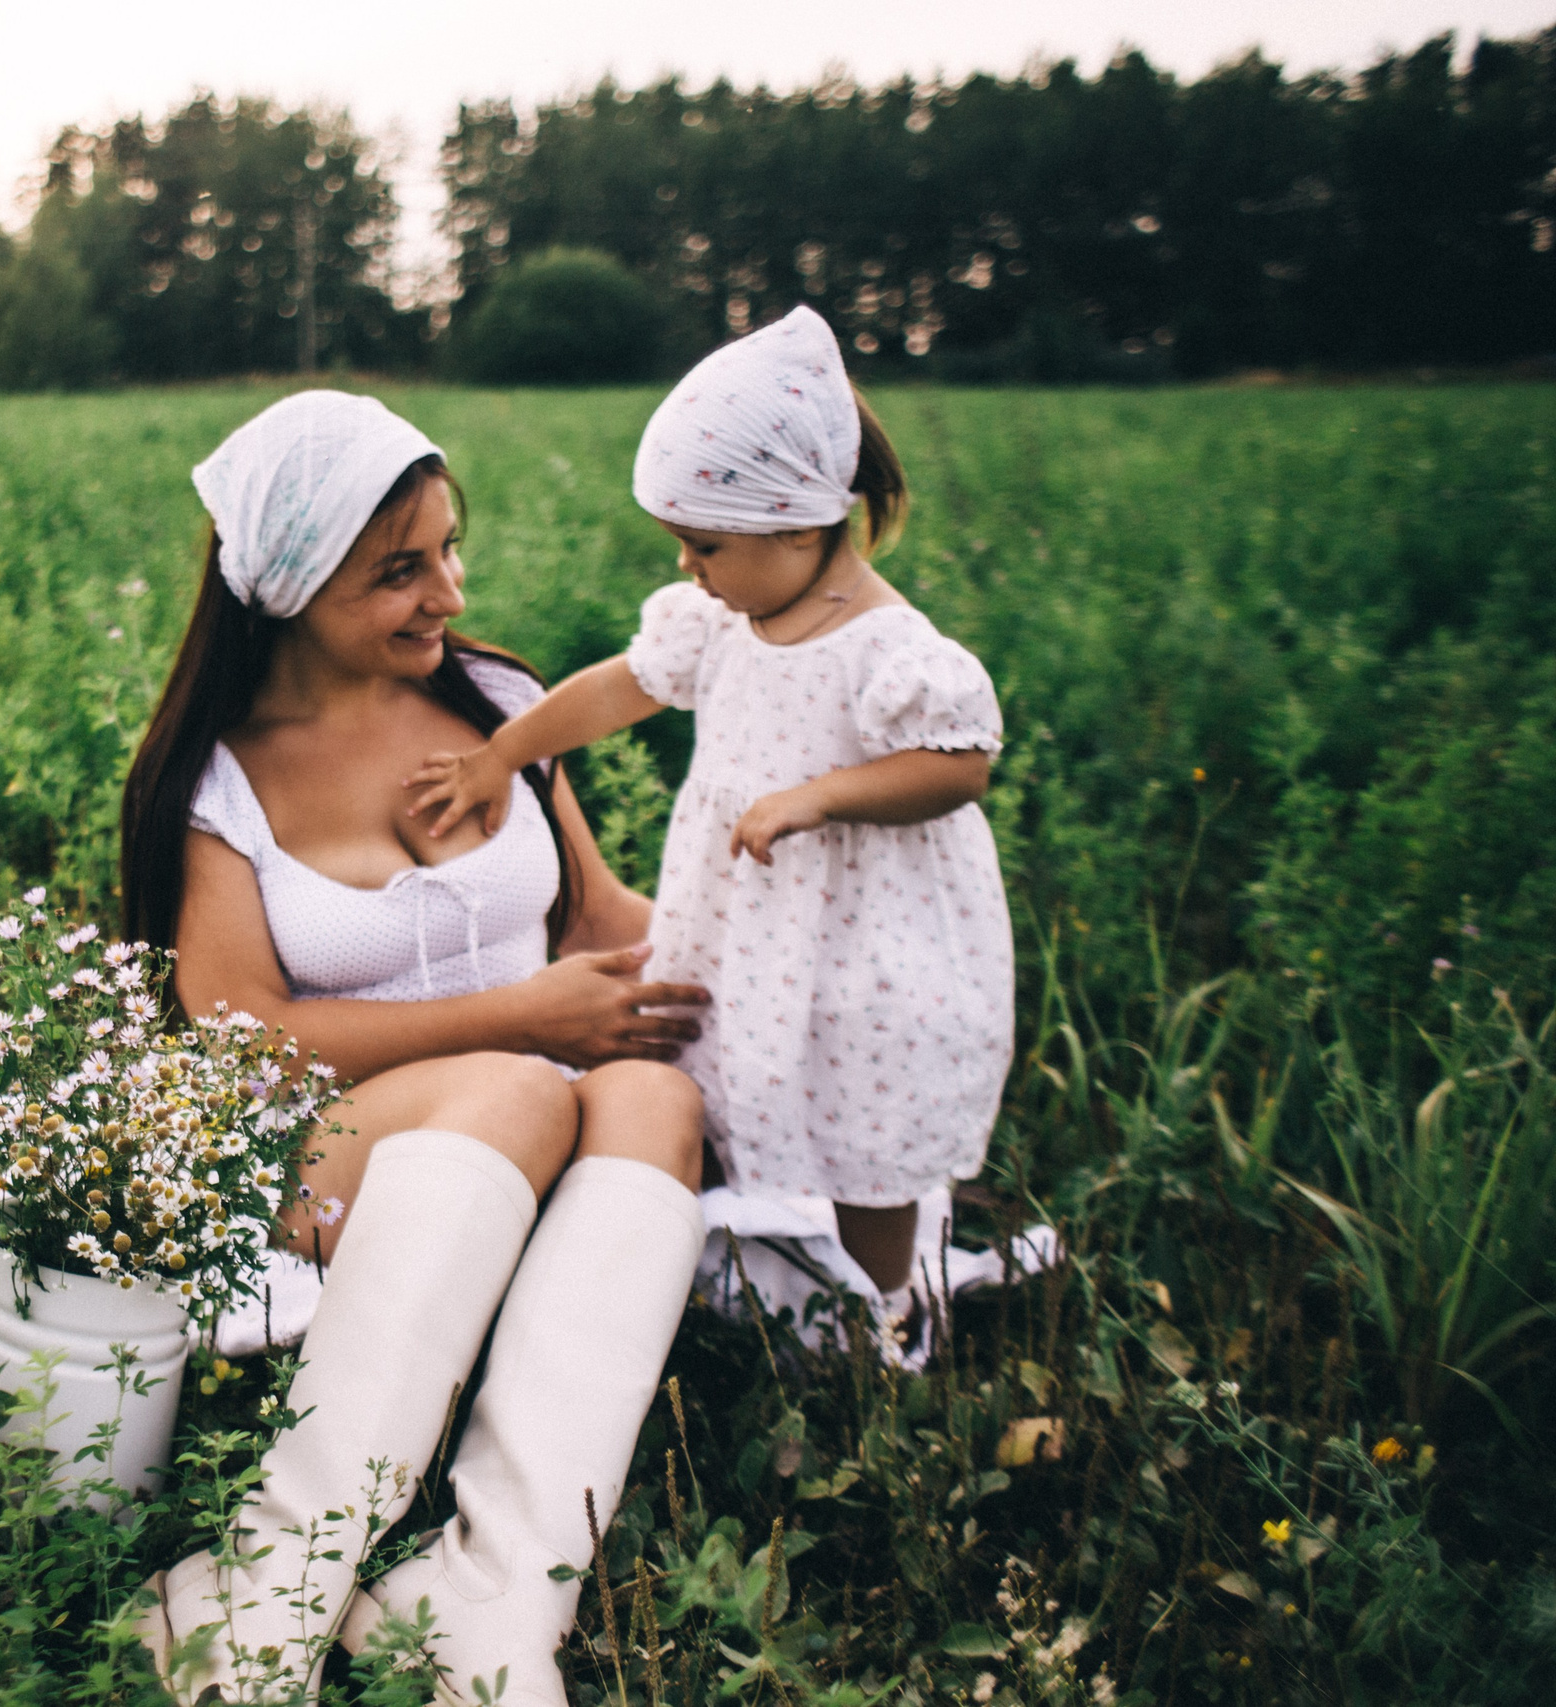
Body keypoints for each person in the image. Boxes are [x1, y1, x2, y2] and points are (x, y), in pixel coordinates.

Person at [118, 390, 709, 1707]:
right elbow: (242, 1037)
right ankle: (263, 1583)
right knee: (517, 1083)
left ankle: (491, 1591)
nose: (446, 589)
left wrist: (797, 972)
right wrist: (522, 1014)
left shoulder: (496, 698)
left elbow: (599, 916)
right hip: (324, 1159)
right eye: (399, 569)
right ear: (288, 587)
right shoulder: (218, 776)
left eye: (448, 547)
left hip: (531, 1113)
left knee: (658, 1100)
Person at [407, 305, 1015, 1357]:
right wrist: (502, 753)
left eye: (706, 545)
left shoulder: (890, 651)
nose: (688, 567)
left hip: (864, 946)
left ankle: (883, 1317)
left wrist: (824, 796)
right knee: (732, 1081)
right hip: (754, 934)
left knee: (866, 1132)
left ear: (795, 525)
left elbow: (959, 764)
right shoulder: (725, 623)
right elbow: (615, 690)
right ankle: (767, 1274)